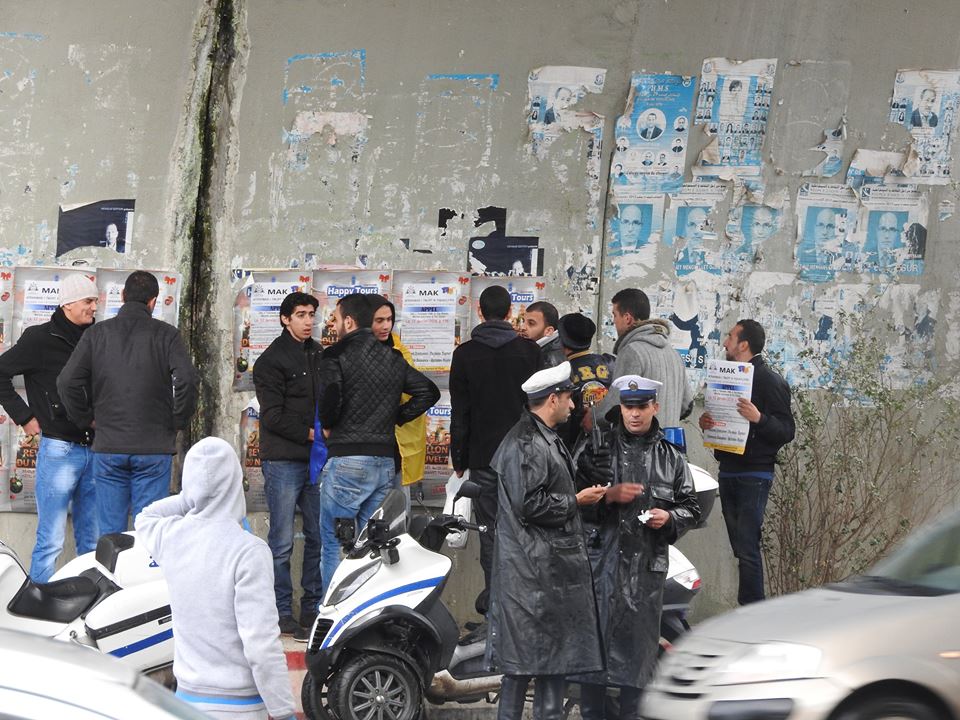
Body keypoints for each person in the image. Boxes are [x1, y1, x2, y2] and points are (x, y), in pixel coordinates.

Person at [135, 437, 295, 720]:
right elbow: (260, 644)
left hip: (185, 702)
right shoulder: (250, 551)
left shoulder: (171, 537)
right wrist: (283, 711)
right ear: (235, 482)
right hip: (241, 707)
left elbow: (146, 516)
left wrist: (190, 497)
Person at [573, 376, 700, 718]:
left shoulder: (670, 458)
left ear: (654, 408)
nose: (634, 414)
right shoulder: (596, 450)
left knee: (635, 677)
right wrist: (605, 498)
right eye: (629, 407)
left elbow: (691, 506)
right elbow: (571, 504)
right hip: (600, 571)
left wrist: (670, 518)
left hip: (644, 574)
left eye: (641, 407)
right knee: (592, 673)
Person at [486, 362, 604, 720]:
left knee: (548, 661)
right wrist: (577, 501)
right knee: (527, 666)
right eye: (569, 398)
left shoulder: (540, 437)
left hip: (541, 570)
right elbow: (530, 504)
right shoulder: (528, 443)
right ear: (553, 399)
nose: (574, 406)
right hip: (534, 573)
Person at [58, 270, 199, 535]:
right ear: (153, 302)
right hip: (154, 448)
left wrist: (85, 419)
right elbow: (188, 380)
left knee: (111, 537)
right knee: (150, 533)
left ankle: (112, 578)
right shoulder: (167, 335)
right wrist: (177, 421)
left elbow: (66, 382)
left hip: (109, 445)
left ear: (122, 297)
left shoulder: (96, 334)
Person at [317, 293, 439, 594]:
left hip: (346, 458)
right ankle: (365, 613)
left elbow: (330, 402)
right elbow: (428, 392)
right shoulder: (393, 358)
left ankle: (333, 612)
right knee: (373, 543)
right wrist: (395, 417)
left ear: (348, 321)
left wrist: (330, 425)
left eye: (335, 317)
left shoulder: (334, 356)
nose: (332, 323)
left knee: (335, 542)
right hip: (384, 461)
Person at [0, 274, 99, 582]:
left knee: (93, 542)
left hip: (97, 448)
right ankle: (36, 605)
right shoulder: (39, 339)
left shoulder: (99, 337)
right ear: (68, 304)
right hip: (59, 451)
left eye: (96, 300)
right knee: (51, 540)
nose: (95, 307)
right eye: (88, 301)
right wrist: (25, 417)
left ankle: (92, 607)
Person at [449, 285, 539, 621]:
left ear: (480, 311)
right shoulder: (529, 353)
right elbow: (537, 408)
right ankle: (519, 614)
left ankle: (495, 613)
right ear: (509, 311)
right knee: (522, 531)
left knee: (490, 533)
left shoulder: (466, 354)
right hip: (524, 459)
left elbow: (461, 412)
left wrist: (459, 459)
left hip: (484, 458)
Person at [699, 320, 795, 604]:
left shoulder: (770, 381)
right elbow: (719, 420)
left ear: (744, 344)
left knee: (749, 548)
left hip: (755, 473)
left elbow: (786, 431)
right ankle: (749, 610)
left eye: (730, 337)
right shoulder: (726, 377)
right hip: (728, 469)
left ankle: (751, 612)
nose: (725, 342)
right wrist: (708, 423)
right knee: (740, 549)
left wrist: (759, 418)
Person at [252, 290, 323, 635]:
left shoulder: (321, 354)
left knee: (318, 536)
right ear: (285, 319)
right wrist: (312, 435)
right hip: (283, 460)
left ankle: (312, 609)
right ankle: (281, 611)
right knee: (280, 542)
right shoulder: (271, 360)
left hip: (316, 461)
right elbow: (273, 417)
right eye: (301, 314)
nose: (308, 321)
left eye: (311, 314)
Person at [599, 288, 693, 428]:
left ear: (627, 318)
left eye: (615, 315)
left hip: (637, 446)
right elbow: (686, 406)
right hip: (669, 445)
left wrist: (593, 417)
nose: (614, 322)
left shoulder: (631, 352)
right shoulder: (674, 354)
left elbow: (614, 406)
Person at [368, 296, 428, 510]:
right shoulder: (357, 350)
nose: (386, 326)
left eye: (389, 319)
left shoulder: (400, 352)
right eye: (379, 320)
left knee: (396, 510)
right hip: (365, 445)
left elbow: (424, 393)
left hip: (394, 445)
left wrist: (398, 416)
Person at [555, 313, 610, 449]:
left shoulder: (562, 372)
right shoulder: (610, 363)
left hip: (575, 445)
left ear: (561, 340)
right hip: (609, 443)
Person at [519, 300, 564, 369]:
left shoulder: (550, 362)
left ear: (549, 331)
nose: (522, 327)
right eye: (523, 321)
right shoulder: (536, 351)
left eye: (531, 323)